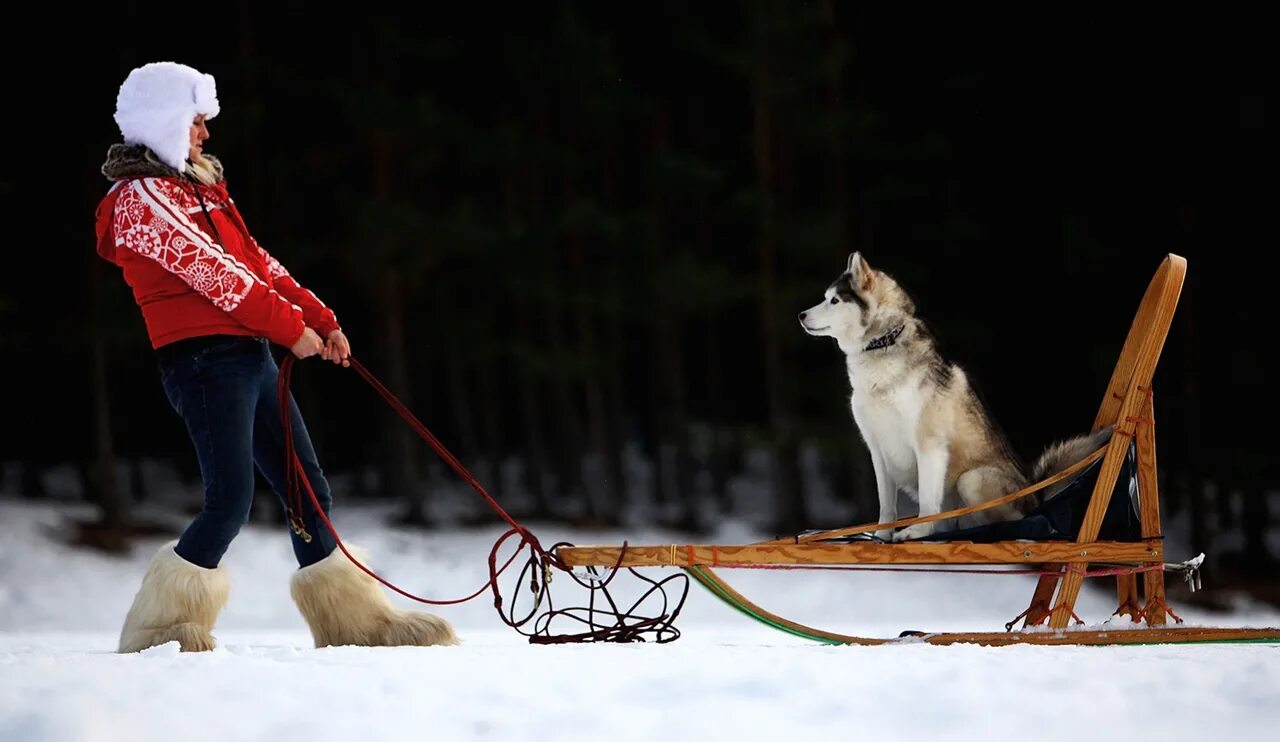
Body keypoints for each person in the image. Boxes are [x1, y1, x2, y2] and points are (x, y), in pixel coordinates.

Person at [96, 61, 457, 652]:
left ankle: (354, 624)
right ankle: (157, 629)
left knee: (306, 487)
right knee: (230, 499)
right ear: (163, 121)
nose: (205, 134)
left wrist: (320, 318)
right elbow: (214, 274)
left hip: (248, 352)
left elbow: (258, 263)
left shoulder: (201, 190)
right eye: (195, 121)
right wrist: (292, 327)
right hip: (204, 361)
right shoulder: (141, 198)